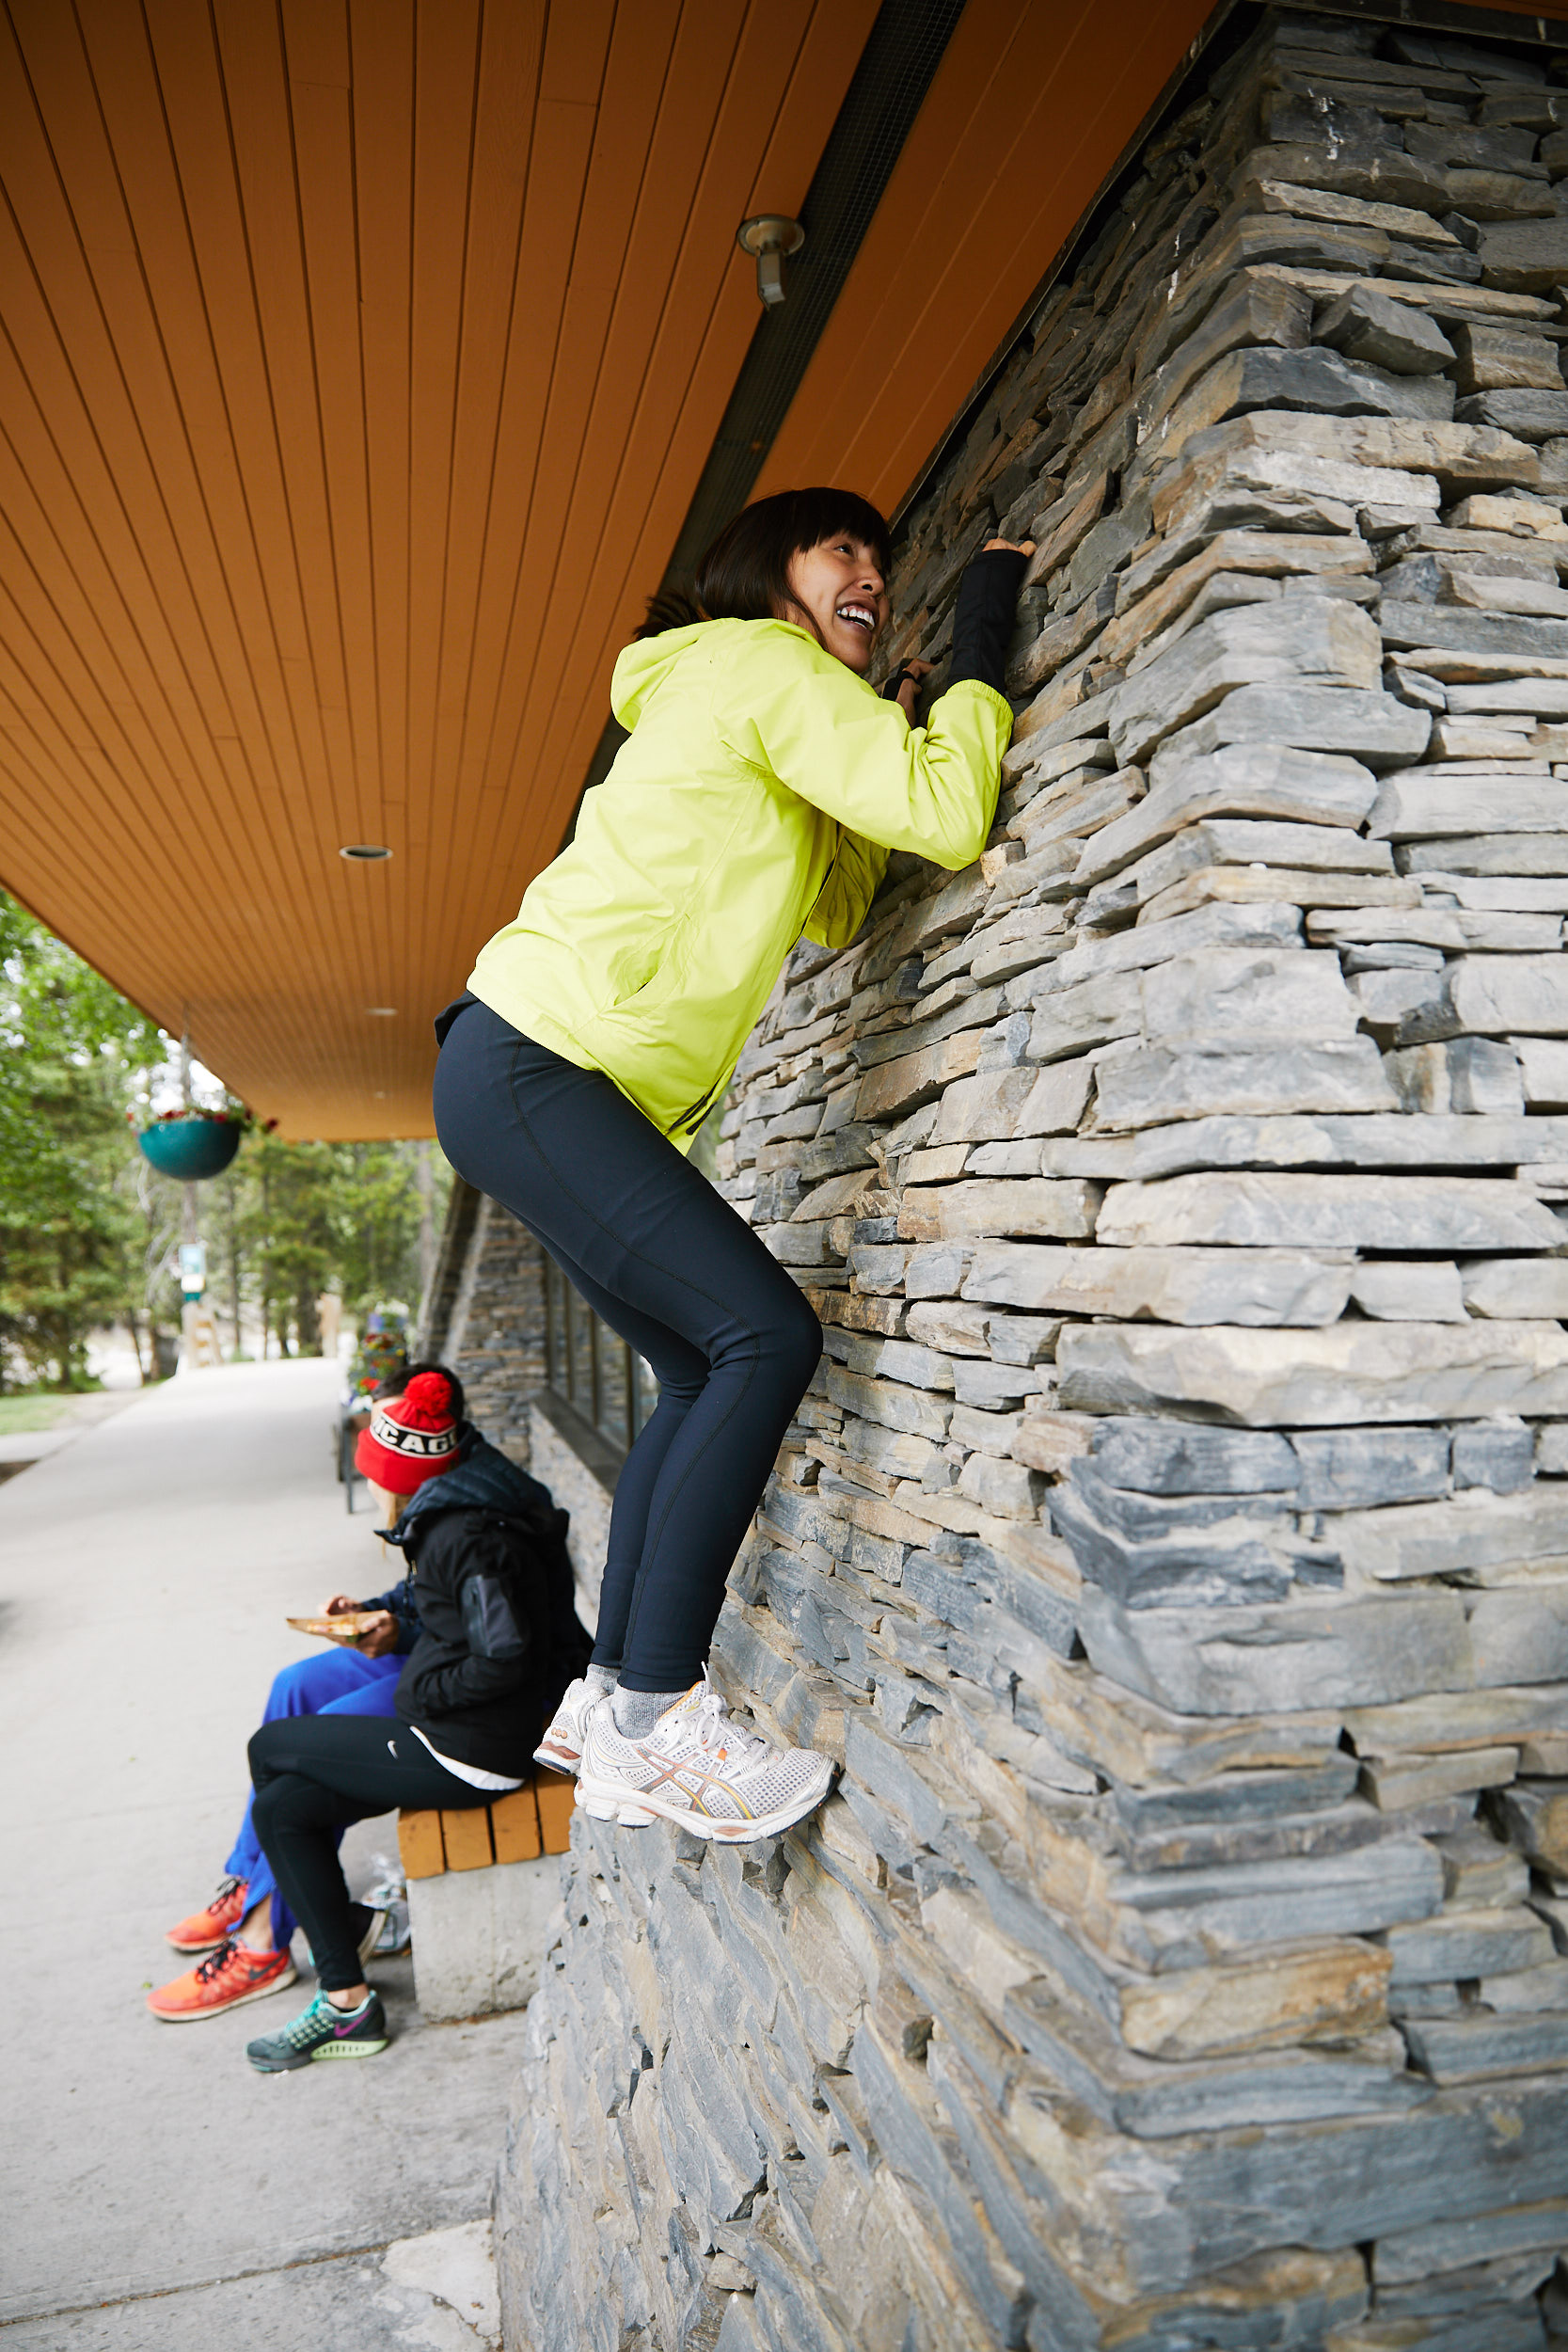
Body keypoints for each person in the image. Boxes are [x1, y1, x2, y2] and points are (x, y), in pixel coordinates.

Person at [433, 486, 1031, 1843]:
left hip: (520, 1069)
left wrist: (885, 722)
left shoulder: (738, 694)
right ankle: (657, 1712)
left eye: (882, 558)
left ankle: (604, 1702)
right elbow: (946, 816)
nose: (870, 575)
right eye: (842, 553)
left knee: (704, 1364)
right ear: (773, 575)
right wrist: (983, 638)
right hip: (542, 1062)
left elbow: (834, 900)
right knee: (762, 1336)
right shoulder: (758, 662)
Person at [237, 1372, 585, 2070]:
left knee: (271, 1746)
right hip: (465, 1730)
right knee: (281, 1807)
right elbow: (463, 1618)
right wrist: (388, 1620)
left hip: (473, 1748)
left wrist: (425, 1697)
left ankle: (334, 1958)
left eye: (374, 1474)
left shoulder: (471, 1537)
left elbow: (505, 1656)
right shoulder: (458, 1508)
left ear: (404, 1472)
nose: (370, 1486)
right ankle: (347, 2002)